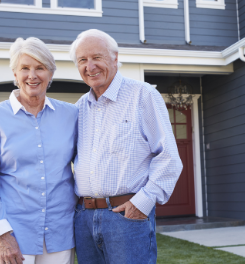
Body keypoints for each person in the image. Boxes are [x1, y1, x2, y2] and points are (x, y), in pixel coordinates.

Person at [71, 29, 182, 263]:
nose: (89, 66)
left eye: (96, 57)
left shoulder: (143, 95)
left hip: (126, 218)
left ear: (115, 58)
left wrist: (143, 203)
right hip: (84, 219)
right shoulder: (79, 107)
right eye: (82, 60)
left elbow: (169, 157)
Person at [0, 37, 78, 264]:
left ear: (50, 74)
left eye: (40, 68)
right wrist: (2, 236)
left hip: (59, 232)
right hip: (13, 233)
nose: (32, 75)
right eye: (25, 68)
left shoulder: (71, 115)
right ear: (15, 74)